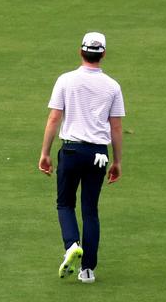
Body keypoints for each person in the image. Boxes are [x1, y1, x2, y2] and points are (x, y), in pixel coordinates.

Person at [39, 31, 125, 284]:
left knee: (65, 204)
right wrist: (117, 161)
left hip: (72, 150)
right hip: (98, 153)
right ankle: (87, 270)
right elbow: (116, 127)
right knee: (90, 211)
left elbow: (54, 118)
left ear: (81, 51)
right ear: (103, 54)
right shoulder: (112, 86)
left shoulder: (66, 80)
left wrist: (44, 152)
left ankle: (71, 245)